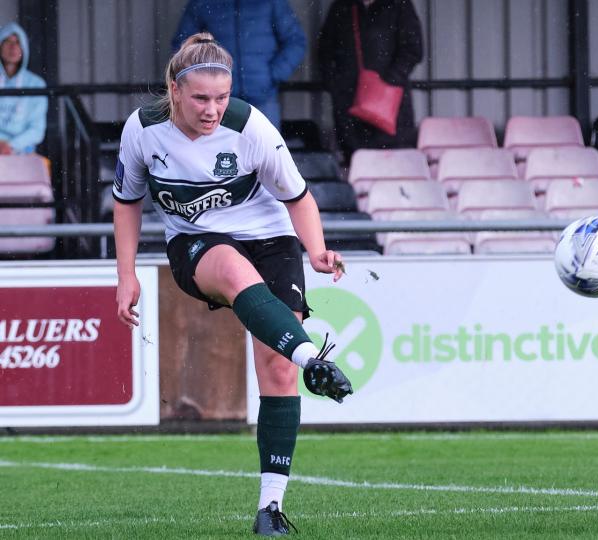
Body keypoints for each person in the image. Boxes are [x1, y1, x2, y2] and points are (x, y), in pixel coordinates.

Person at [112, 33, 353, 536]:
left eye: (221, 97)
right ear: (175, 91)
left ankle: (270, 508)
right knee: (232, 270)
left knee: (278, 369)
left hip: (270, 238)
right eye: (201, 98)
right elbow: (127, 201)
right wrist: (126, 275)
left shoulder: (250, 126)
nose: (212, 109)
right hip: (195, 241)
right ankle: (313, 359)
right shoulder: (143, 129)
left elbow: (298, 197)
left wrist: (315, 250)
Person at [171, 0, 306, 128]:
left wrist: (273, 74)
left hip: (263, 98)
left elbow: (295, 41)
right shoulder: (203, 2)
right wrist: (203, 79)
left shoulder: (270, 1)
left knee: (267, 144)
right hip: (217, 102)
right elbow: (183, 46)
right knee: (217, 145)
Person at [317, 0, 423, 162]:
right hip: (349, 107)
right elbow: (325, 50)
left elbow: (413, 49)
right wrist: (335, 85)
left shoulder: (399, 5)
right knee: (354, 162)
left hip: (390, 107)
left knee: (395, 162)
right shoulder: (342, 6)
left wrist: (388, 82)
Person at [0, 22, 47, 155]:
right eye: (7, 41)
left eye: (18, 42)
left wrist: (12, 145)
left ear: (24, 48)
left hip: (22, 152)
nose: (13, 47)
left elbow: (37, 129)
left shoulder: (36, 84)